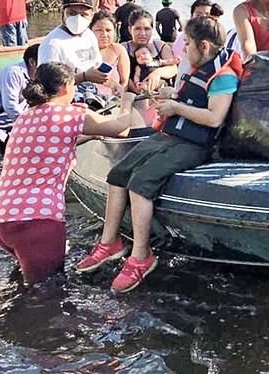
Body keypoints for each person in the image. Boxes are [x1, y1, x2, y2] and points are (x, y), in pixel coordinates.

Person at [76, 16, 243, 293]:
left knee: (141, 183)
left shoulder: (223, 76)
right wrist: (170, 96)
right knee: (118, 174)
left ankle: (141, 255)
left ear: (203, 46)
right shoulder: (197, 64)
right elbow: (185, 95)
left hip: (194, 145)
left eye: (187, 44)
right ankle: (110, 242)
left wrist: (176, 108)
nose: (183, 49)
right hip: (170, 135)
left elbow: (215, 118)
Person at [0, 63, 137, 285]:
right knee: (48, 292)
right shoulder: (71, 114)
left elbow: (54, 142)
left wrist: (92, 135)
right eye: (74, 86)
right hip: (36, 219)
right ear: (66, 87)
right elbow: (120, 129)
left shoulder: (27, 117)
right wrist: (127, 103)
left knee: (24, 285)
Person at [0, 43, 39, 168]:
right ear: (32, 62)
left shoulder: (37, 77)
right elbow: (10, 105)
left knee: (10, 166)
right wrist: (31, 127)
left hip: (11, 128)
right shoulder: (12, 72)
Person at [37, 0, 111, 88]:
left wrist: (114, 85)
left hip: (92, 93)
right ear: (62, 14)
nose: (78, 19)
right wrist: (83, 77)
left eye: (84, 14)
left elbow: (97, 65)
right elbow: (48, 84)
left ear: (91, 16)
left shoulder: (89, 35)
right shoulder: (52, 45)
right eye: (72, 13)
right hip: (66, 99)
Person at [124, 9, 179, 94]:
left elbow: (173, 68)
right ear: (129, 29)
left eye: (147, 29)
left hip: (160, 92)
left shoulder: (160, 46)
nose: (143, 33)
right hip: (133, 93)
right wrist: (135, 87)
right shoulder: (123, 48)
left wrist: (158, 73)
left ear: (152, 29)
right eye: (137, 29)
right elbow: (119, 74)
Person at [90, 11, 129, 95]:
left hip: (113, 101)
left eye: (108, 30)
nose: (104, 34)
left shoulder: (118, 50)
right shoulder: (82, 50)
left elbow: (124, 82)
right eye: (99, 30)